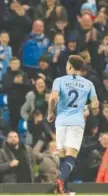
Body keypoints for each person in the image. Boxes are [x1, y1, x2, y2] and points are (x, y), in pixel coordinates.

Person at [47, 55, 99, 194]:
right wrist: (93, 109)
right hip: (76, 122)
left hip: (61, 122)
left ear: (69, 67)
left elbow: (52, 97)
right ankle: (60, 181)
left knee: (63, 157)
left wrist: (50, 113)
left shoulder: (59, 80)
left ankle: (64, 189)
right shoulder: (88, 84)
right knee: (71, 157)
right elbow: (95, 105)